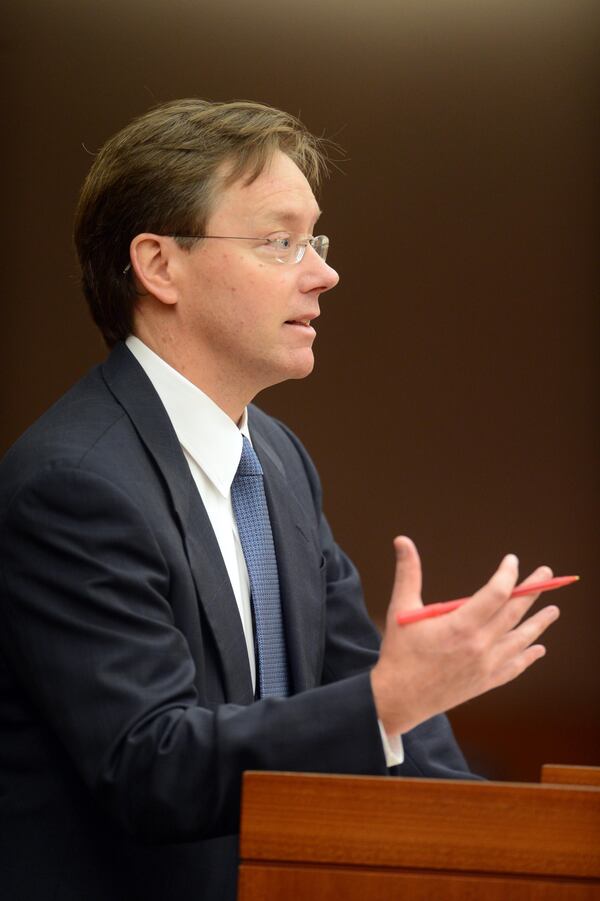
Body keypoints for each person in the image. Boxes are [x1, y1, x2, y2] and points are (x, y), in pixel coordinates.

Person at [0, 99, 559, 901]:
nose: (323, 271)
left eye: (315, 239)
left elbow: (369, 684)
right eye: (280, 241)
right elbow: (150, 763)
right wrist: (387, 701)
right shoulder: (73, 486)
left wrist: (509, 843)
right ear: (160, 266)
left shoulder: (276, 461)